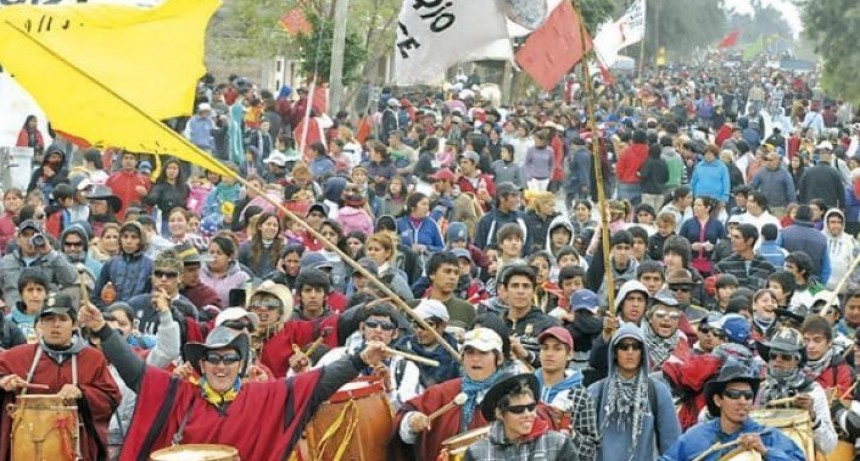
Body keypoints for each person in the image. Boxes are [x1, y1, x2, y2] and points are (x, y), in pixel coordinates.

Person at [77, 303, 390, 461]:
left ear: (241, 364)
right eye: (213, 359)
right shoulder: (179, 394)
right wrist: (103, 330)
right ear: (202, 364)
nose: (221, 366)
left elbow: (319, 383)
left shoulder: (264, 396)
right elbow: (136, 372)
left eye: (229, 359)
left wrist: (360, 359)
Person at [0, 293, 122, 461]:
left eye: (62, 319)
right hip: (25, 448)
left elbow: (111, 397)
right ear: (40, 324)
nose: (55, 325)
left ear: (74, 325)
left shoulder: (92, 359)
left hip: (76, 446)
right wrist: (3, 382)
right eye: (49, 319)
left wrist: (82, 392)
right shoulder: (18, 356)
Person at [393, 327, 505, 461]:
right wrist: (411, 422)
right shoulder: (442, 392)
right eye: (469, 353)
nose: (475, 359)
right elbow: (404, 423)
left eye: (483, 353)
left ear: (498, 358)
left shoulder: (512, 394)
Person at [659, 363, 806, 461]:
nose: (742, 401)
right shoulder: (695, 436)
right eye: (734, 395)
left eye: (748, 396)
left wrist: (765, 451)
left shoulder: (768, 436)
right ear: (718, 400)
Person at [294, 304, 422, 410]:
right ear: (362, 328)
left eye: (386, 326)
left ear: (395, 334)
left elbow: (405, 415)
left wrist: (389, 387)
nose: (378, 330)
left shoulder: (406, 368)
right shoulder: (338, 356)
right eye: (372, 324)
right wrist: (299, 371)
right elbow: (308, 391)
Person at [588, 323, 681, 461]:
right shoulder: (596, 391)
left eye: (636, 346)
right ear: (614, 352)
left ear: (642, 352)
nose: (630, 351)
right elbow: (583, 443)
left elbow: (672, 445)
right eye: (624, 347)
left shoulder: (657, 391)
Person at [755, 327, 837, 454]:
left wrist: (812, 415)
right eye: (773, 355)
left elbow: (829, 446)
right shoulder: (760, 390)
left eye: (786, 357)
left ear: (797, 361)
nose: (778, 360)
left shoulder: (812, 390)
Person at [463, 373, 576, 461]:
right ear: (499, 414)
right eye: (518, 410)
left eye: (531, 407)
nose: (527, 414)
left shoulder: (559, 444)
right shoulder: (476, 454)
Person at [533, 327, 600, 460]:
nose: (549, 353)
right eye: (545, 348)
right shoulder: (527, 388)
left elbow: (591, 450)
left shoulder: (580, 396)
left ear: (569, 355)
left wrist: (572, 434)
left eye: (557, 349)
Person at [0, 219, 77, 307]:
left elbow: (70, 279)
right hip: (14, 314)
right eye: (25, 235)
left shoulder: (53, 258)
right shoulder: (5, 262)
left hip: (44, 314)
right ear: (18, 240)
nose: (29, 239)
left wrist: (50, 253)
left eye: (34, 234)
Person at [392, 299, 460, 388]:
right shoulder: (404, 345)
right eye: (415, 324)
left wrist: (414, 360)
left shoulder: (454, 353)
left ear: (443, 325)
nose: (419, 330)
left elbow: (433, 387)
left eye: (425, 325)